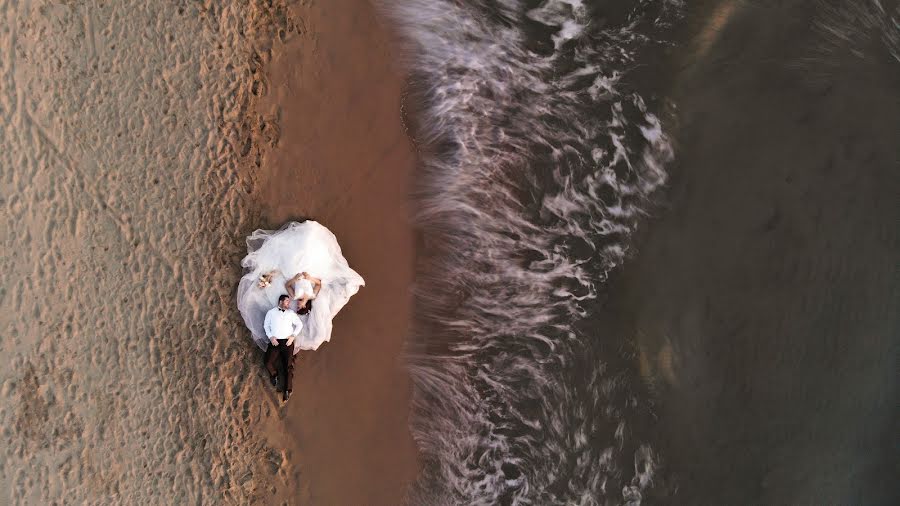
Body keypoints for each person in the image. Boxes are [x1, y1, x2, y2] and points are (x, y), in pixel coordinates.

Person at [263, 294, 302, 402]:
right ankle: (274, 374)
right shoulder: (271, 313)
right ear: (280, 302)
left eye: (289, 302)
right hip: (275, 342)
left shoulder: (291, 313)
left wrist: (293, 336)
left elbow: (299, 325)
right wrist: (271, 337)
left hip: (288, 342)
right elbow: (266, 325)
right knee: (267, 362)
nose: (289, 304)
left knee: (288, 367)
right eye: (287, 302)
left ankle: (287, 390)